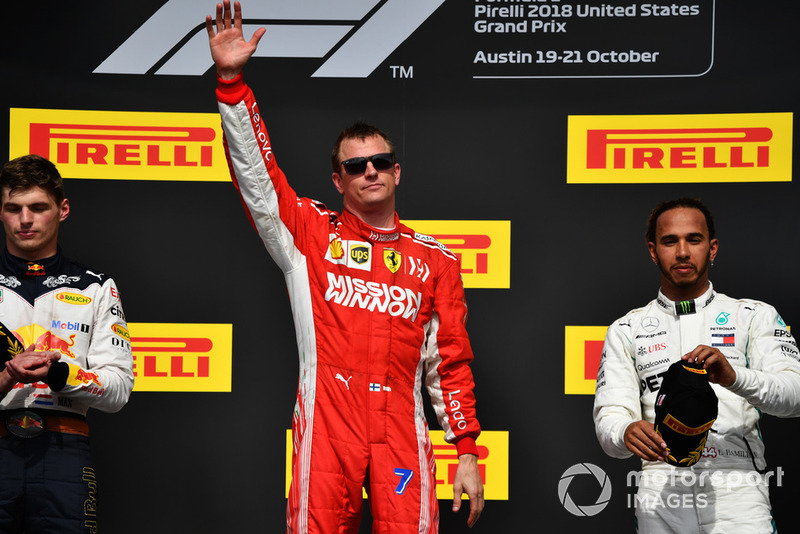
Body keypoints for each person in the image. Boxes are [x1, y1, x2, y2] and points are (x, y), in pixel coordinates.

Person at [206, 2, 483, 532]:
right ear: (339, 180)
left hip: (402, 429)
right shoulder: (308, 234)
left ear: (397, 171)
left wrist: (466, 451)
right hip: (328, 424)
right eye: (355, 166)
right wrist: (232, 85)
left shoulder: (436, 260)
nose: (369, 172)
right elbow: (257, 178)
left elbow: (449, 365)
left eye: (380, 162)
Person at [593, 197, 800, 532]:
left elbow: (796, 396)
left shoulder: (752, 316)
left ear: (713, 247)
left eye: (694, 239)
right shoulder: (626, 329)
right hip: (662, 489)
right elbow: (609, 418)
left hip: (737, 486)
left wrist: (735, 377)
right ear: (652, 250)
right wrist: (625, 430)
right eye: (670, 241)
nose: (683, 252)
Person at [0, 154, 134, 532]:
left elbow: (119, 390)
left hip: (64, 451)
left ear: (62, 209)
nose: (25, 220)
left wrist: (60, 373)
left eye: (38, 207)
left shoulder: (95, 287)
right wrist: (8, 377)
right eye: (14, 208)